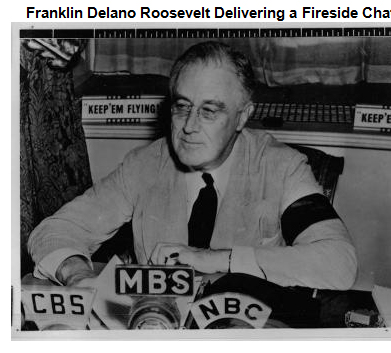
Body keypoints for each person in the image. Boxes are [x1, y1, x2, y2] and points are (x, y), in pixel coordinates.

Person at [28, 41, 357, 290]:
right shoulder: (143, 164)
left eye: (209, 111)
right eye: (182, 107)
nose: (188, 126)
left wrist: (215, 258)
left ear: (243, 116)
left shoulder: (283, 166)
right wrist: (78, 274)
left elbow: (338, 261)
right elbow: (55, 231)